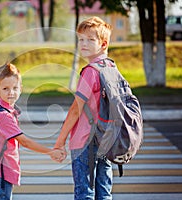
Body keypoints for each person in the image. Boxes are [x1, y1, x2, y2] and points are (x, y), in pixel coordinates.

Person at [53, 16, 113, 200]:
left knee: (84, 192)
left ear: (103, 44)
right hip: (107, 138)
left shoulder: (90, 72)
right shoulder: (111, 67)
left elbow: (75, 110)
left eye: (90, 40)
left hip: (84, 140)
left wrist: (60, 141)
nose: (84, 44)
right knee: (104, 190)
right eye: (81, 39)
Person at [0, 62, 65, 200]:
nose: (11, 92)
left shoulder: (4, 109)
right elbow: (25, 142)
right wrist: (50, 152)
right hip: (1, 172)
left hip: (0, 170)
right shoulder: (2, 116)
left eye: (15, 88)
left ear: (20, 89)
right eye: (5, 88)